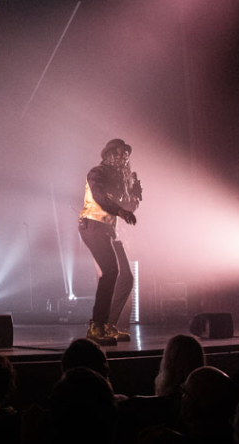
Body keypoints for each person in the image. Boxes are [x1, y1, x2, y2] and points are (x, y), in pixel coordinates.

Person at [78, 138, 141, 345]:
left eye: (126, 154)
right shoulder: (97, 173)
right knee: (111, 271)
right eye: (121, 153)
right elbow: (99, 197)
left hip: (109, 231)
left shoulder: (120, 180)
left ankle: (109, 325)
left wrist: (135, 198)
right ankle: (96, 326)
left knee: (126, 278)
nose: (124, 157)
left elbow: (126, 210)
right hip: (92, 226)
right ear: (110, 154)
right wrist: (121, 210)